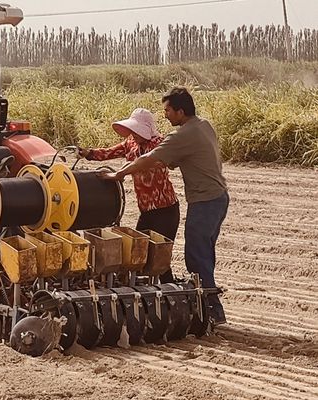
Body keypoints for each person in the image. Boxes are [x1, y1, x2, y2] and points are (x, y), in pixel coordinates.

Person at [100, 87, 229, 325]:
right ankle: (204, 303)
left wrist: (119, 174)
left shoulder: (181, 136)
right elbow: (178, 160)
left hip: (205, 201)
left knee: (196, 257)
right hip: (219, 198)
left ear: (180, 111)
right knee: (204, 254)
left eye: (168, 110)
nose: (166, 115)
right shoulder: (204, 125)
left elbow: (148, 159)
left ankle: (213, 311)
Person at [78, 108, 180, 283]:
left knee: (159, 255)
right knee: (138, 252)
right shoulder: (130, 144)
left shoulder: (160, 145)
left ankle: (169, 290)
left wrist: (121, 172)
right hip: (146, 211)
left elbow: (147, 164)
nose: (134, 134)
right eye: (133, 130)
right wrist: (90, 154)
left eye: (137, 131)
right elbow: (109, 152)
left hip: (166, 210)